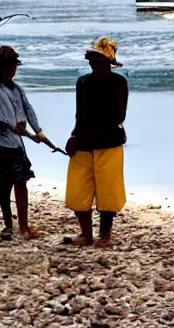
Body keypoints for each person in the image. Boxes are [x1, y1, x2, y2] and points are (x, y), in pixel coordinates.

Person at [0, 46, 48, 238]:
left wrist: (38, 132)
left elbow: (28, 110)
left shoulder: (17, 89)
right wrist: (8, 126)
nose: (12, 70)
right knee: (7, 183)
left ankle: (23, 226)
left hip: (17, 143)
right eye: (9, 67)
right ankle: (10, 225)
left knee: (22, 180)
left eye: (14, 67)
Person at [65, 37, 128, 248]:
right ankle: (86, 234)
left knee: (108, 193)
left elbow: (118, 118)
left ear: (108, 63)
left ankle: (105, 235)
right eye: (92, 60)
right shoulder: (82, 82)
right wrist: (75, 137)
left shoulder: (119, 83)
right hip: (83, 145)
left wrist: (84, 137)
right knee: (77, 193)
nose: (94, 64)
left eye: (98, 61)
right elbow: (79, 114)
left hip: (109, 144)